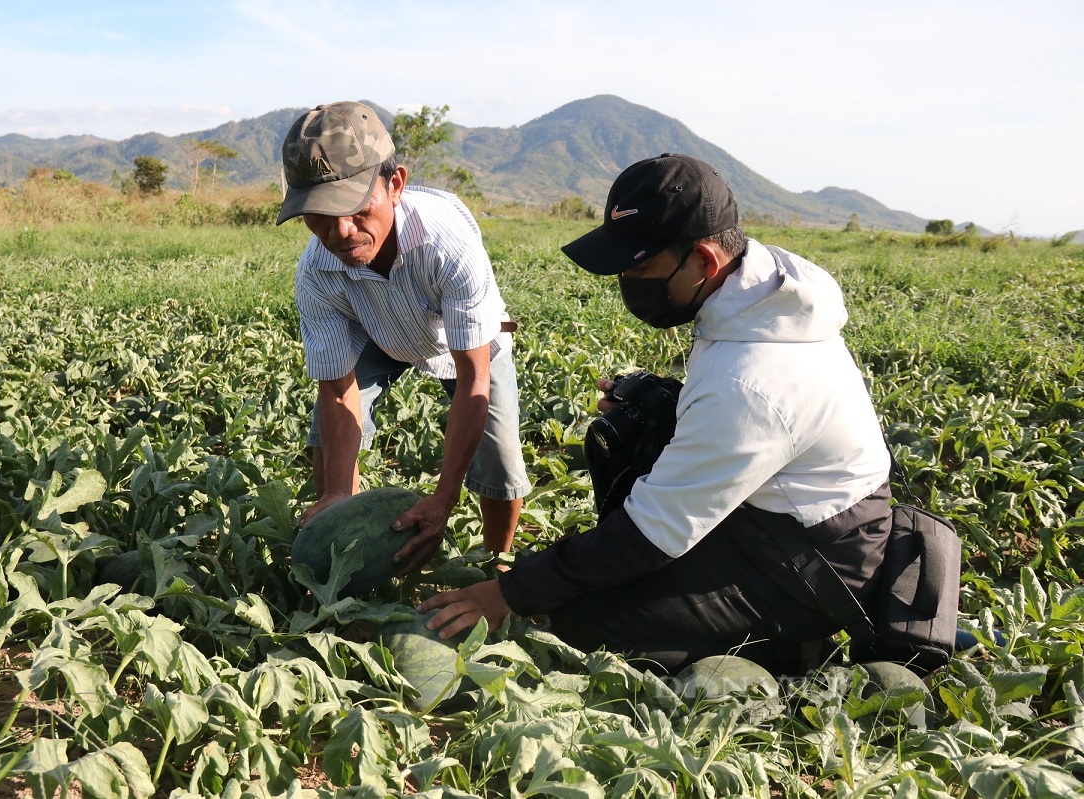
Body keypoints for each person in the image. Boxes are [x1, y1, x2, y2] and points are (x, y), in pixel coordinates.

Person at [420, 153, 893, 673]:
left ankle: (792, 649)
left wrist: (511, 593)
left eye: (641, 267)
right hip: (779, 510)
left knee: (582, 624)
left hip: (811, 561)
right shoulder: (761, 290)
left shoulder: (751, 379)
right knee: (636, 430)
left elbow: (655, 531)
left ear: (705, 262)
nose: (627, 279)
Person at [277, 101, 530, 574]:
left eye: (354, 208)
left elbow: (474, 380)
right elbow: (337, 389)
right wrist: (335, 491)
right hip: (376, 327)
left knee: (500, 459)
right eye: (319, 216)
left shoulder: (447, 245)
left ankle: (495, 565)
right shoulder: (317, 272)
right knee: (326, 442)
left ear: (395, 185)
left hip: (462, 340)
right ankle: (342, 552)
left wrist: (442, 499)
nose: (341, 232)